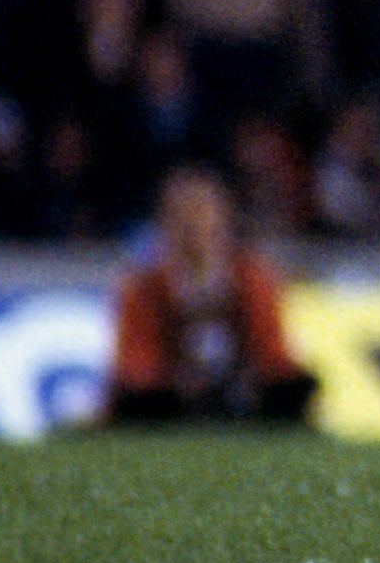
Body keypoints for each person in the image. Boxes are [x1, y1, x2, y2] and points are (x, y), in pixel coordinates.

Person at [101, 166, 316, 426]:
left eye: (201, 210)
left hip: (241, 387)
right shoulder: (145, 285)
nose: (192, 223)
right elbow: (136, 363)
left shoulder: (252, 277)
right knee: (138, 402)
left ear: (223, 217)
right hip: (170, 393)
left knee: (294, 390)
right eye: (182, 212)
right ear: (165, 221)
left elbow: (272, 352)